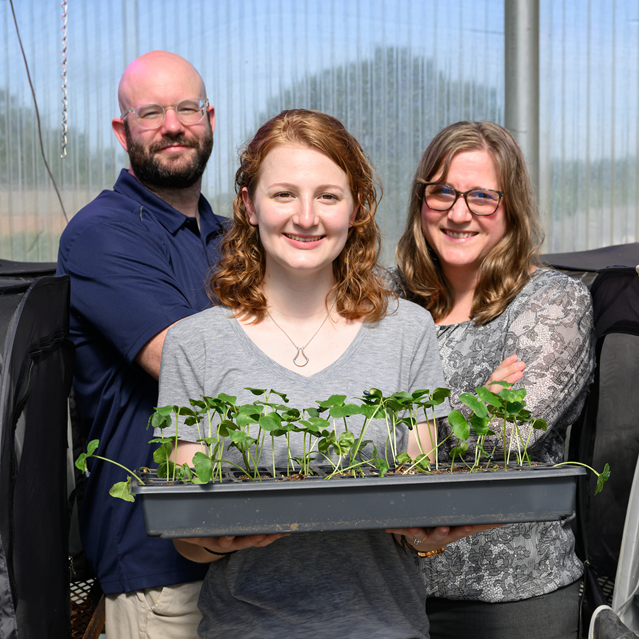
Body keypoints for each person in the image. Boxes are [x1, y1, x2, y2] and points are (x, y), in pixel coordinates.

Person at [156, 109, 493, 638]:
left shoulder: (408, 331)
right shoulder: (194, 344)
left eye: (328, 196)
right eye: (284, 194)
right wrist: (217, 539)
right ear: (248, 204)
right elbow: (186, 537)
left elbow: (418, 511)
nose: (306, 217)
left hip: (384, 627)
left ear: (357, 207)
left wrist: (435, 532)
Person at [395, 121, 594, 639]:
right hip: (388, 590)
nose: (459, 213)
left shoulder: (553, 303)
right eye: (443, 192)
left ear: (511, 207)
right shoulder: (386, 298)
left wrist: (404, 421)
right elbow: (332, 424)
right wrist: (474, 403)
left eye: (482, 196)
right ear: (421, 199)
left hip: (510, 601)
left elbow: (507, 435)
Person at [57, 51, 227, 638]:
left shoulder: (232, 238)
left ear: (210, 119)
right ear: (121, 129)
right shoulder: (102, 234)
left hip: (251, 552)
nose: (173, 125)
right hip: (158, 570)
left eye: (187, 108)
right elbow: (185, 363)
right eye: (150, 112)